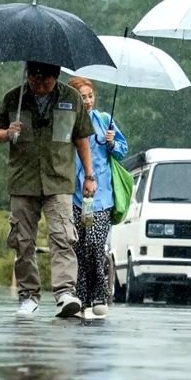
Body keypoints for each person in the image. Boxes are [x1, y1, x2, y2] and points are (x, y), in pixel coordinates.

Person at [0, 60, 97, 319]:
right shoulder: (13, 98)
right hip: (23, 180)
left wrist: (89, 176)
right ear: (28, 74)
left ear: (56, 76)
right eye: (34, 78)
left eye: (45, 80)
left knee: (63, 236)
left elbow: (81, 138)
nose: (39, 84)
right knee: (22, 240)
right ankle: (28, 295)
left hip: (59, 179)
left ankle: (64, 293)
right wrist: (8, 133)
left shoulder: (72, 99)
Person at [67, 76, 128, 320]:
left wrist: (113, 143)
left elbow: (123, 151)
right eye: (82, 98)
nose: (88, 101)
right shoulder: (67, 123)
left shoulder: (104, 121)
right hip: (74, 195)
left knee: (94, 243)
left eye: (90, 96)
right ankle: (82, 298)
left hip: (101, 196)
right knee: (79, 247)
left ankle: (99, 293)